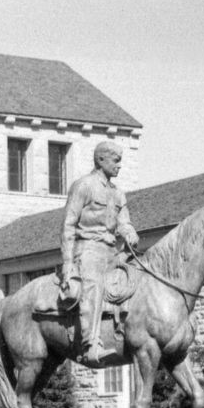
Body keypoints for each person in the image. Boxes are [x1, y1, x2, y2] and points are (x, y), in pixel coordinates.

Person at [60, 141, 139, 363]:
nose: (119, 166)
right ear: (101, 160)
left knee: (137, 277)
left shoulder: (118, 194)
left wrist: (130, 231)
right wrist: (68, 263)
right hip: (88, 249)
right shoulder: (83, 186)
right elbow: (68, 225)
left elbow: (124, 222)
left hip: (112, 251)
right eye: (116, 160)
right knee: (93, 285)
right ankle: (90, 344)